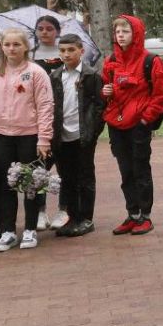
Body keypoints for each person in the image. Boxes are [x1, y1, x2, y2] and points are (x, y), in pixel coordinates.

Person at [0, 28, 54, 251]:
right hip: (1, 136)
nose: (12, 49)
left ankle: (30, 229)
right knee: (3, 184)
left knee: (31, 183)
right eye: (7, 44)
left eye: (17, 44)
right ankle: (8, 231)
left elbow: (45, 106)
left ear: (26, 46)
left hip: (30, 135)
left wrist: (44, 138)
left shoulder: (36, 72)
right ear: (1, 46)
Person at [102, 14, 163, 236]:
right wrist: (106, 92)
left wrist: (145, 120)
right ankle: (133, 214)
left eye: (126, 31)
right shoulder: (111, 60)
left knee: (140, 170)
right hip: (116, 124)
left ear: (136, 34)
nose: (120, 35)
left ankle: (145, 216)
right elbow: (107, 90)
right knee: (126, 172)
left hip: (138, 125)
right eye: (117, 31)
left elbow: (160, 96)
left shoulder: (151, 61)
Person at [50, 34, 104, 238]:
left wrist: (92, 131)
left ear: (81, 51)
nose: (66, 54)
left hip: (83, 136)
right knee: (67, 178)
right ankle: (72, 217)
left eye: (71, 50)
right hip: (61, 137)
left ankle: (86, 219)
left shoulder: (91, 76)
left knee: (85, 176)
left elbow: (99, 106)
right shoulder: (56, 76)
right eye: (62, 50)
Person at [31, 15, 61, 230]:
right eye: (40, 28)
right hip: (37, 119)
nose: (44, 32)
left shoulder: (65, 52)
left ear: (57, 31)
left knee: (66, 167)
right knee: (39, 169)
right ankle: (40, 212)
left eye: (49, 28)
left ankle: (64, 209)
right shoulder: (30, 55)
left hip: (62, 117)